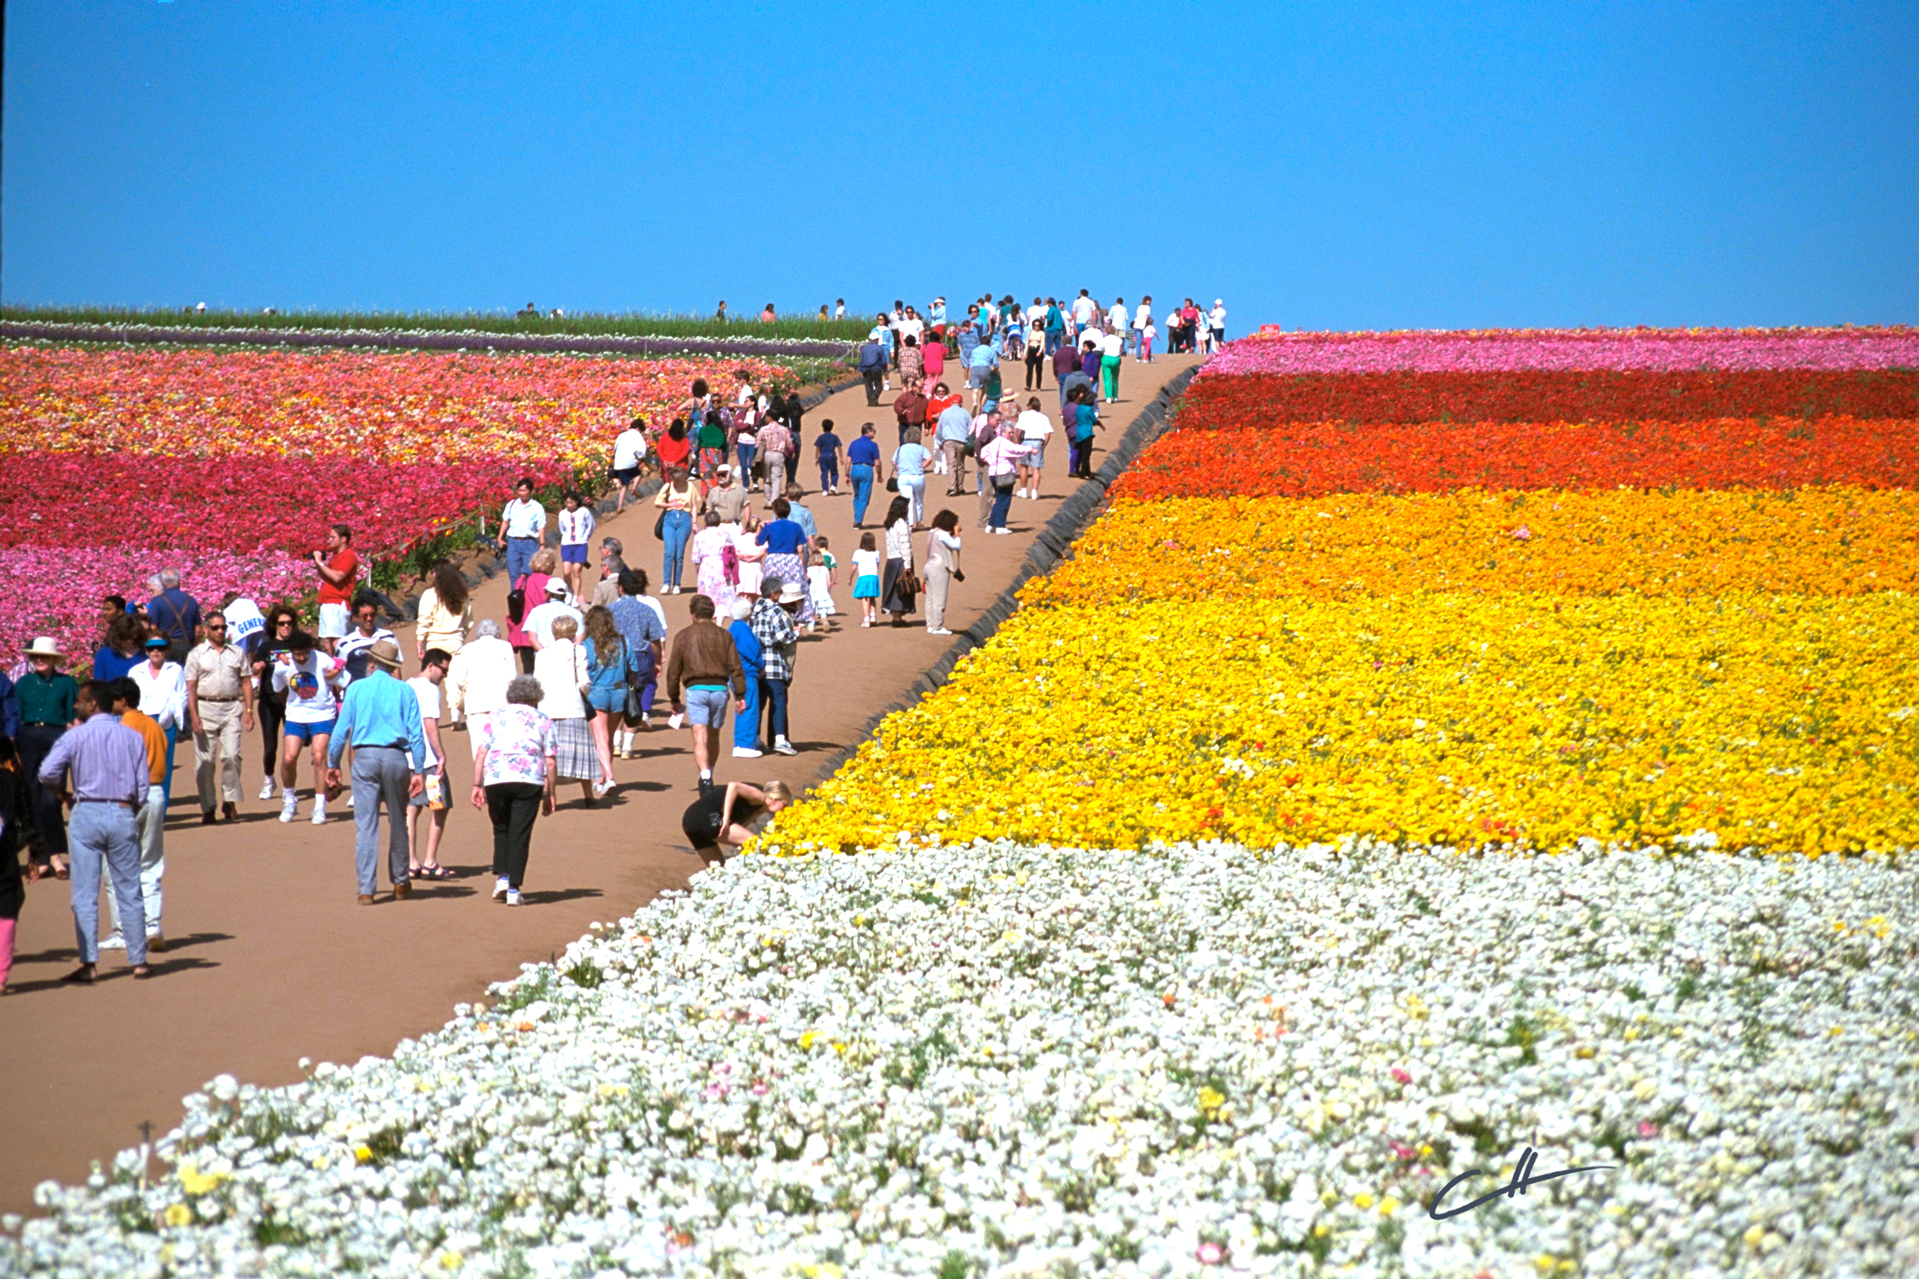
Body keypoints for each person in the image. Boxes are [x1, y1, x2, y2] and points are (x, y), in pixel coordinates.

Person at [39, 679, 152, 983]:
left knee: (84, 895)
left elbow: (47, 772)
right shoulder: (130, 737)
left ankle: (89, 963)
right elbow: (143, 787)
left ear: (92, 705)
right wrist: (130, 809)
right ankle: (139, 961)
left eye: (79, 700)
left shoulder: (74, 737)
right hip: (121, 811)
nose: (75, 705)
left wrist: (63, 794)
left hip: (86, 811)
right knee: (130, 890)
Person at [326, 639, 426, 903]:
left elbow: (340, 733)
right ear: (392, 666)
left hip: (365, 757)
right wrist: (419, 770)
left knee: (366, 825)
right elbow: (417, 735)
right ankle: (401, 882)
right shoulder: (405, 691)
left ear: (371, 663)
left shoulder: (356, 689)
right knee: (398, 820)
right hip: (396, 757)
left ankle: (366, 889)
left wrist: (333, 764)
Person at [471, 674, 556, 907]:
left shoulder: (495, 715)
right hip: (529, 779)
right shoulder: (544, 719)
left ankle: (503, 878)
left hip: (496, 777)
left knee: (502, 828)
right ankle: (513, 888)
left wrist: (476, 784)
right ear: (535, 697)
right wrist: (551, 793)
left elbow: (481, 752)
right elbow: (550, 760)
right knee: (520, 832)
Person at [105, 678, 169, 954]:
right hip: (155, 794)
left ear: (122, 700)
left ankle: (123, 931)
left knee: (115, 866)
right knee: (150, 863)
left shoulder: (122, 727)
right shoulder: (154, 725)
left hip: (127, 797)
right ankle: (152, 925)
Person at [663, 593, 747, 793]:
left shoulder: (683, 636)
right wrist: (741, 695)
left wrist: (674, 698)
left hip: (695, 690)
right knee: (714, 735)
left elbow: (673, 670)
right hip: (719, 689)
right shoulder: (724, 635)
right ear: (712, 613)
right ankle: (710, 770)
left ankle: (705, 776)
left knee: (699, 736)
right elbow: (735, 667)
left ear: (693, 614)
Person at [184, 610, 254, 823]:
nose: (220, 631)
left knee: (232, 755)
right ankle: (208, 806)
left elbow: (246, 681)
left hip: (231, 707)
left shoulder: (237, 652)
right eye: (215, 627)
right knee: (205, 761)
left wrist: (249, 711)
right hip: (205, 707)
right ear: (206, 630)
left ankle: (230, 800)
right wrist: (194, 715)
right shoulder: (196, 654)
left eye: (223, 627)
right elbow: (191, 687)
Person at [272, 630, 346, 824]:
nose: (302, 657)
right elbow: (278, 690)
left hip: (322, 714)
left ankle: (319, 807)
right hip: (296, 715)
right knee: (289, 758)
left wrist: (336, 675)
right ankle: (289, 800)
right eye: (298, 654)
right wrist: (291, 706)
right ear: (291, 652)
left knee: (319, 756)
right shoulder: (282, 665)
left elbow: (344, 681)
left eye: (305, 653)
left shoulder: (323, 660)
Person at [534, 616, 602, 806]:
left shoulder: (542, 654)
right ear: (573, 632)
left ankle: (550, 794)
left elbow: (537, 682)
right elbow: (584, 681)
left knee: (549, 754)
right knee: (581, 753)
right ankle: (588, 796)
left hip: (548, 709)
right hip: (573, 707)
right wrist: (582, 693)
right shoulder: (578, 650)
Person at [607, 568, 666, 757]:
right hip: (639, 660)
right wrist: (657, 662)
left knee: (617, 700)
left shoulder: (610, 610)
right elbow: (655, 640)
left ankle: (616, 743)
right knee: (635, 701)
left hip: (615, 660)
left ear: (621, 588)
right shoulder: (647, 610)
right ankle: (627, 747)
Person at [406, 649, 453, 880]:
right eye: (443, 669)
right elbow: (430, 723)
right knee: (438, 807)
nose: (444, 675)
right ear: (432, 665)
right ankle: (429, 861)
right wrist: (441, 754)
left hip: (408, 759)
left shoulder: (406, 685)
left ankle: (411, 862)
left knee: (411, 808)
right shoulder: (430, 689)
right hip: (428, 762)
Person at [445, 619, 517, 757]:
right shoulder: (505, 646)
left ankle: (482, 777)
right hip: (502, 704)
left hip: (475, 706)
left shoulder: (466, 649)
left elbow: (459, 681)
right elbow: (513, 679)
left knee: (479, 748)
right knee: (503, 746)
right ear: (497, 634)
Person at [680, 779, 793, 867]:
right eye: (784, 804)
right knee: (758, 844)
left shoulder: (759, 809)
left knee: (718, 869)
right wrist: (726, 818)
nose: (785, 809)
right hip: (705, 817)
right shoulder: (760, 797)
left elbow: (740, 829)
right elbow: (734, 786)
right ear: (775, 799)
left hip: (689, 821)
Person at [129, 635, 186, 805]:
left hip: (165, 723)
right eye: (152, 647)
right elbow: (130, 697)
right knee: (139, 767)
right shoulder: (135, 671)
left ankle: (160, 811)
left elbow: (182, 695)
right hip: (141, 722)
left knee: (164, 769)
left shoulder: (175, 670)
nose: (156, 651)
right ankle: (140, 806)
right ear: (146, 650)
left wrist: (170, 713)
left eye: (160, 647)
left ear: (167, 650)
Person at [750, 578, 801, 756]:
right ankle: (780, 739)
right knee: (779, 702)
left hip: (757, 665)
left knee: (759, 703)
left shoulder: (754, 610)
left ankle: (755, 738)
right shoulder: (776, 611)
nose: (781, 595)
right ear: (773, 594)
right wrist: (795, 633)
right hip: (774, 663)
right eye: (779, 592)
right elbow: (782, 637)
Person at [253, 605, 299, 799]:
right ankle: (269, 779)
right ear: (275, 625)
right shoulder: (266, 646)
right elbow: (254, 669)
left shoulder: (298, 645)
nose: (286, 627)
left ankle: (290, 784)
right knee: (270, 745)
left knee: (294, 746)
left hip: (293, 701)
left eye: (289, 623)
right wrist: (257, 666)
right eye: (282, 623)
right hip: (269, 701)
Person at [580, 606, 627, 794]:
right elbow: (632, 666)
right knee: (607, 737)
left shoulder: (585, 646)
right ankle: (602, 777)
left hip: (597, 694)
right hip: (619, 692)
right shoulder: (623, 642)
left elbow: (584, 670)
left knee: (600, 738)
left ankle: (609, 776)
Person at [756, 497, 814, 629]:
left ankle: (772, 618)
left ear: (775, 512)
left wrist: (760, 527)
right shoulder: (796, 527)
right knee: (795, 590)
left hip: (774, 560)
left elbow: (757, 542)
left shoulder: (770, 527)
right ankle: (796, 620)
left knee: (773, 589)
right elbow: (800, 550)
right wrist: (803, 568)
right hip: (792, 560)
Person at [0, 736, 28, 993]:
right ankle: (1, 974)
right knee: (9, 903)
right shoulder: (10, 779)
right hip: (4, 849)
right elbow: (24, 814)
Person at [414, 562, 473, 684]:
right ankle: (454, 704)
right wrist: (461, 636)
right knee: (456, 682)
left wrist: (420, 641)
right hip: (455, 641)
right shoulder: (462, 596)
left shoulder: (429, 595)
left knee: (429, 681)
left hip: (434, 642)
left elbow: (424, 620)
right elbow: (468, 621)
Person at [313, 525, 360, 655]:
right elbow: (326, 576)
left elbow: (338, 577)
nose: (329, 540)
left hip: (338, 603)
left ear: (343, 539)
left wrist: (322, 564)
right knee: (327, 642)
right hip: (327, 602)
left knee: (336, 641)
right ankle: (333, 667)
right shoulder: (335, 556)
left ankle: (342, 668)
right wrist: (319, 564)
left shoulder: (348, 555)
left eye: (333, 537)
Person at [726, 597, 764, 757]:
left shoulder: (733, 628)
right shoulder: (742, 629)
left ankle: (743, 742)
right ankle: (744, 745)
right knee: (749, 708)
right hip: (746, 674)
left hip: (735, 674)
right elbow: (753, 651)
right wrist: (761, 665)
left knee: (743, 707)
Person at [654, 466, 701, 594]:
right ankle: (666, 582)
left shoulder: (690, 486)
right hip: (669, 518)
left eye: (680, 481)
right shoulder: (668, 486)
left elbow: (695, 505)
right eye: (676, 482)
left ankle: (677, 584)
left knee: (679, 554)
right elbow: (657, 502)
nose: (678, 484)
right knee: (669, 552)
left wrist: (694, 523)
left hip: (685, 518)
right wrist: (671, 504)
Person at [980, 424, 1035, 533]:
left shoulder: (994, 442)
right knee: (1005, 499)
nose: (1011, 435)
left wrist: (991, 462)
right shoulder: (1004, 443)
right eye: (1009, 432)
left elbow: (983, 452)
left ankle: (991, 525)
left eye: (1012, 432)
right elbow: (1015, 449)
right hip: (1003, 474)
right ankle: (1000, 526)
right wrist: (1029, 449)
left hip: (993, 474)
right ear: (1003, 432)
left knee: (1000, 498)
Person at [495, 479, 548, 587]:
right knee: (513, 572)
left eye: (524, 491)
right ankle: (516, 599)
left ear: (531, 491)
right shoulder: (511, 504)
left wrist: (542, 544)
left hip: (529, 542)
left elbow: (541, 526)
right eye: (519, 490)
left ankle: (528, 597)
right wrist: (500, 538)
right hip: (513, 542)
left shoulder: (537, 507)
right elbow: (506, 522)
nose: (521, 493)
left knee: (530, 571)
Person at [144, 569, 202, 665]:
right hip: (186, 646)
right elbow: (197, 630)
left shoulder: (157, 601)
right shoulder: (191, 601)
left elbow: (152, 628)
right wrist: (193, 645)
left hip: (164, 647)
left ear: (162, 582)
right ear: (179, 581)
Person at [923, 510, 964, 636]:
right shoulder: (943, 534)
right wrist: (956, 533)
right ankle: (938, 626)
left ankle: (931, 625)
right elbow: (956, 545)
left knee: (930, 598)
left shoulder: (932, 532)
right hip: (939, 568)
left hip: (928, 566)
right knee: (939, 598)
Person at [337, 598, 397, 683]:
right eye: (365, 615)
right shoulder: (346, 643)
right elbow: (339, 672)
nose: (369, 618)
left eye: (372, 615)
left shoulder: (388, 636)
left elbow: (395, 668)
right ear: (356, 617)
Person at [691, 511, 737, 615]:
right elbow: (731, 554)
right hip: (722, 567)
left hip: (706, 567)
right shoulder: (725, 534)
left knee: (706, 597)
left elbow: (696, 558)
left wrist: (698, 572)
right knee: (722, 598)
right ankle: (720, 621)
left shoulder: (699, 536)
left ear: (705, 522)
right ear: (719, 522)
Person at [880, 496, 917, 623]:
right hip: (901, 560)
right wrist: (907, 564)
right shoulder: (901, 523)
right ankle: (897, 618)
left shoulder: (890, 522)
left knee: (893, 588)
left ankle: (896, 616)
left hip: (891, 560)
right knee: (901, 590)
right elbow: (905, 544)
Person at [524, 576, 584, 651]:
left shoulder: (536, 611)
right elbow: (579, 639)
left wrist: (544, 653)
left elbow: (532, 638)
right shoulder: (576, 613)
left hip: (544, 657)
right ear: (564, 595)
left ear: (548, 593)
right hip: (569, 658)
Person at [892, 427, 933, 527]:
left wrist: (899, 470)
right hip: (917, 477)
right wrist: (922, 466)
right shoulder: (921, 448)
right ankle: (919, 522)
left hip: (903, 477)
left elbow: (893, 461)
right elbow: (929, 458)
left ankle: (909, 524)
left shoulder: (900, 448)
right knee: (919, 501)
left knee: (907, 501)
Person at [558, 491, 596, 598]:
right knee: (566, 572)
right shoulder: (562, 514)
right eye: (567, 503)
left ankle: (576, 595)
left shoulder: (584, 511)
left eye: (572, 502)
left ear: (576, 502)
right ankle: (569, 590)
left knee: (576, 571)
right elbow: (562, 529)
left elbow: (591, 525)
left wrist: (585, 537)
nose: (569, 505)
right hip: (566, 545)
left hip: (580, 545)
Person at [1015, 397, 1053, 500]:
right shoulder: (1044, 417)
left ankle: (1023, 490)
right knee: (1036, 469)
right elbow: (1048, 433)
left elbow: (1019, 430)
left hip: (1025, 441)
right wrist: (1043, 445)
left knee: (1024, 467)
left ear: (1030, 406)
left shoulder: (1023, 415)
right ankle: (1034, 492)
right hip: (1037, 442)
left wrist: (1019, 442)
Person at [92, 612, 145, 684]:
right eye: (124, 637)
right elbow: (98, 685)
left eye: (132, 636)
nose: (128, 641)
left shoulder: (146, 653)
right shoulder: (104, 654)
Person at [848, 424, 882, 527]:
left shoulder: (853, 443)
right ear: (868, 432)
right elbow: (877, 463)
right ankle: (858, 521)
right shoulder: (873, 445)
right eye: (874, 431)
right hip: (866, 469)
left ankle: (857, 517)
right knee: (864, 497)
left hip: (854, 469)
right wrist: (879, 475)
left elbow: (848, 461)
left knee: (857, 495)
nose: (875, 433)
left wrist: (846, 474)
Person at [612, 417, 648, 511]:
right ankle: (634, 488)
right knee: (638, 474)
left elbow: (615, 448)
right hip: (629, 462)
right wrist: (639, 457)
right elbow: (642, 451)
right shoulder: (637, 435)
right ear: (638, 429)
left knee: (624, 485)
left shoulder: (621, 435)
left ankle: (620, 507)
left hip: (618, 463)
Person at [1068, 387, 1103, 479]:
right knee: (1086, 454)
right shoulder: (1088, 409)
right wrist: (1097, 423)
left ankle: (1087, 472)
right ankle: (1084, 473)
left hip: (1079, 432)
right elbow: (1093, 420)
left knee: (1082, 452)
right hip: (1087, 433)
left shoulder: (1079, 407)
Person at [756, 413, 793, 502]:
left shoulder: (763, 429)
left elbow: (757, 444)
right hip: (779, 454)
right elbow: (789, 445)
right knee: (776, 479)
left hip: (767, 454)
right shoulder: (784, 429)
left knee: (767, 478)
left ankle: (768, 501)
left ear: (770, 417)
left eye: (766, 417)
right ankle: (775, 500)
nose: (765, 418)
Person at [852, 532, 881, 628]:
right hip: (874, 576)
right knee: (872, 597)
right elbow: (877, 566)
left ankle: (866, 618)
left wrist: (850, 577)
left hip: (863, 577)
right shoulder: (876, 553)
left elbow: (854, 567)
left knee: (865, 598)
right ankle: (873, 616)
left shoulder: (858, 552)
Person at [591, 537, 627, 609]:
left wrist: (582, 604)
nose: (600, 550)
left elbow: (595, 609)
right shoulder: (624, 568)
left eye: (601, 548)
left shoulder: (610, 570)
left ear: (607, 551)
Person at [806, 544, 837, 630]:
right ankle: (824, 619)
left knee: (812, 609)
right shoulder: (825, 569)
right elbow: (829, 582)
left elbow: (805, 580)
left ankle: (811, 624)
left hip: (813, 592)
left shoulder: (809, 569)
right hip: (823, 591)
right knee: (823, 608)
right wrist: (828, 590)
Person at [965, 337, 997, 413]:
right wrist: (994, 371)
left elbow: (971, 361)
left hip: (975, 369)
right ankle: (981, 408)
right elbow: (996, 364)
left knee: (975, 390)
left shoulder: (975, 350)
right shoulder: (991, 350)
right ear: (989, 343)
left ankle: (974, 402)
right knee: (984, 391)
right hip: (985, 369)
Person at [695, 411, 729, 481]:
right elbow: (724, 445)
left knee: (705, 473)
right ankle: (717, 489)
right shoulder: (720, 430)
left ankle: (706, 491)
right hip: (716, 452)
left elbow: (699, 442)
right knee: (716, 472)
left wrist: (698, 453)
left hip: (703, 452)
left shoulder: (703, 430)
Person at [813, 419, 844, 496]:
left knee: (824, 473)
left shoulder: (821, 437)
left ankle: (825, 489)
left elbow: (818, 447)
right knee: (834, 472)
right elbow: (839, 446)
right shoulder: (834, 437)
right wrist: (841, 457)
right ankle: (833, 485)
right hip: (831, 454)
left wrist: (816, 457)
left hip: (823, 455)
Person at [857, 333, 887, 406]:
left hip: (866, 369)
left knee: (868, 385)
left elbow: (862, 360)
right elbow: (883, 360)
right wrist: (885, 369)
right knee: (879, 385)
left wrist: (861, 369)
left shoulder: (864, 349)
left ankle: (870, 402)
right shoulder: (879, 348)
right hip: (876, 368)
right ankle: (874, 397)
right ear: (876, 339)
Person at [1101, 327, 1125, 403]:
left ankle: (1108, 397)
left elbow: (1102, 348)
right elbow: (1120, 350)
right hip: (1115, 358)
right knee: (1115, 378)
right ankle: (1115, 396)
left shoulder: (1104, 339)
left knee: (1107, 379)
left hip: (1106, 358)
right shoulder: (1118, 339)